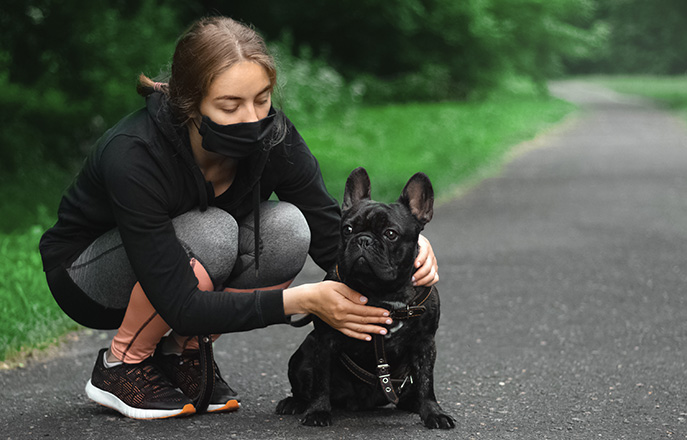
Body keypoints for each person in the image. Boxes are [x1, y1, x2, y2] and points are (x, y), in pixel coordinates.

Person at [39, 16, 439, 420]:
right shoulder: (134, 154)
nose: (252, 118)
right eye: (231, 105)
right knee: (213, 230)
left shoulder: (273, 137)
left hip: (184, 269)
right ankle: (122, 364)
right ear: (189, 103)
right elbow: (179, 302)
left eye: (262, 99)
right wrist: (297, 301)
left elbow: (326, 234)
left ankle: (183, 353)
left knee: (287, 228)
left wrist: (407, 244)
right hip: (87, 274)